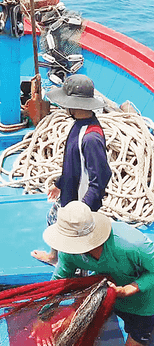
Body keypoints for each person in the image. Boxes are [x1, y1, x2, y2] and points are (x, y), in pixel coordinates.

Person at [31, 200, 154, 346]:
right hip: (105, 293)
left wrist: (129, 289)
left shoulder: (132, 244)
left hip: (145, 304)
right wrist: (43, 316)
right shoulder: (69, 251)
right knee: (66, 324)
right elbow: (60, 280)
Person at [32, 74, 112, 266]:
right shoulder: (79, 125)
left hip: (82, 202)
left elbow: (100, 178)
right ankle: (54, 257)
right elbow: (74, 164)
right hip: (70, 194)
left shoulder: (91, 138)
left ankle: (77, 270)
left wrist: (82, 209)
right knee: (53, 218)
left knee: (78, 244)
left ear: (75, 105)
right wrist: (60, 184)